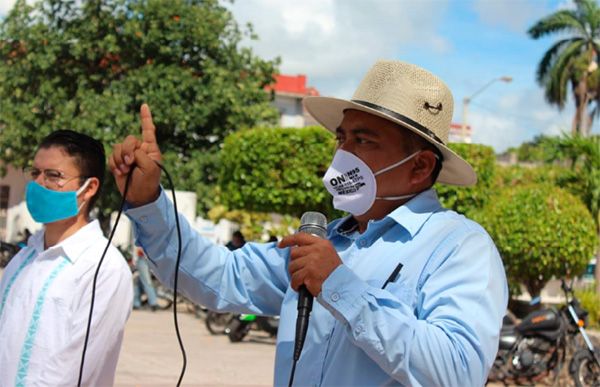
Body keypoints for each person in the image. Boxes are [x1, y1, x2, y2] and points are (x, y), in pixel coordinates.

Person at [110, 60, 508, 386]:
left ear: (420, 166)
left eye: (363, 140)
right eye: (341, 138)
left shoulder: (459, 247)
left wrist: (339, 286)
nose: (343, 153)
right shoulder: (326, 241)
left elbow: (457, 370)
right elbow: (220, 276)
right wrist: (148, 202)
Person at [0, 130, 132, 386]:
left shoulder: (102, 269)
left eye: (53, 176)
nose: (39, 184)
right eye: (35, 173)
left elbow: (73, 372)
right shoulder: (24, 259)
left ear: (89, 188)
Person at [132, 245, 159, 311]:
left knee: (146, 281)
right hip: (145, 258)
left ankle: (153, 303)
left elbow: (139, 249)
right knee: (137, 281)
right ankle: (136, 303)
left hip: (142, 258)